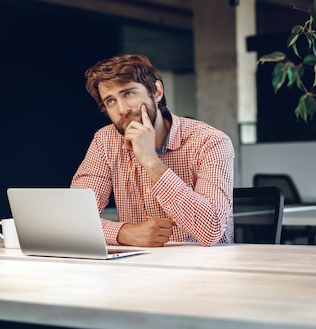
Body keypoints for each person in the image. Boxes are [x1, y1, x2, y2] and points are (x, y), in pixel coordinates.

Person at [72, 54, 235, 248]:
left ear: (157, 91)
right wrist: (124, 233)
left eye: (128, 93)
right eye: (111, 101)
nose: (122, 109)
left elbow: (212, 230)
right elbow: (75, 218)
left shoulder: (210, 141)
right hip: (140, 267)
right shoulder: (105, 142)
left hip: (208, 267)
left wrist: (150, 160)